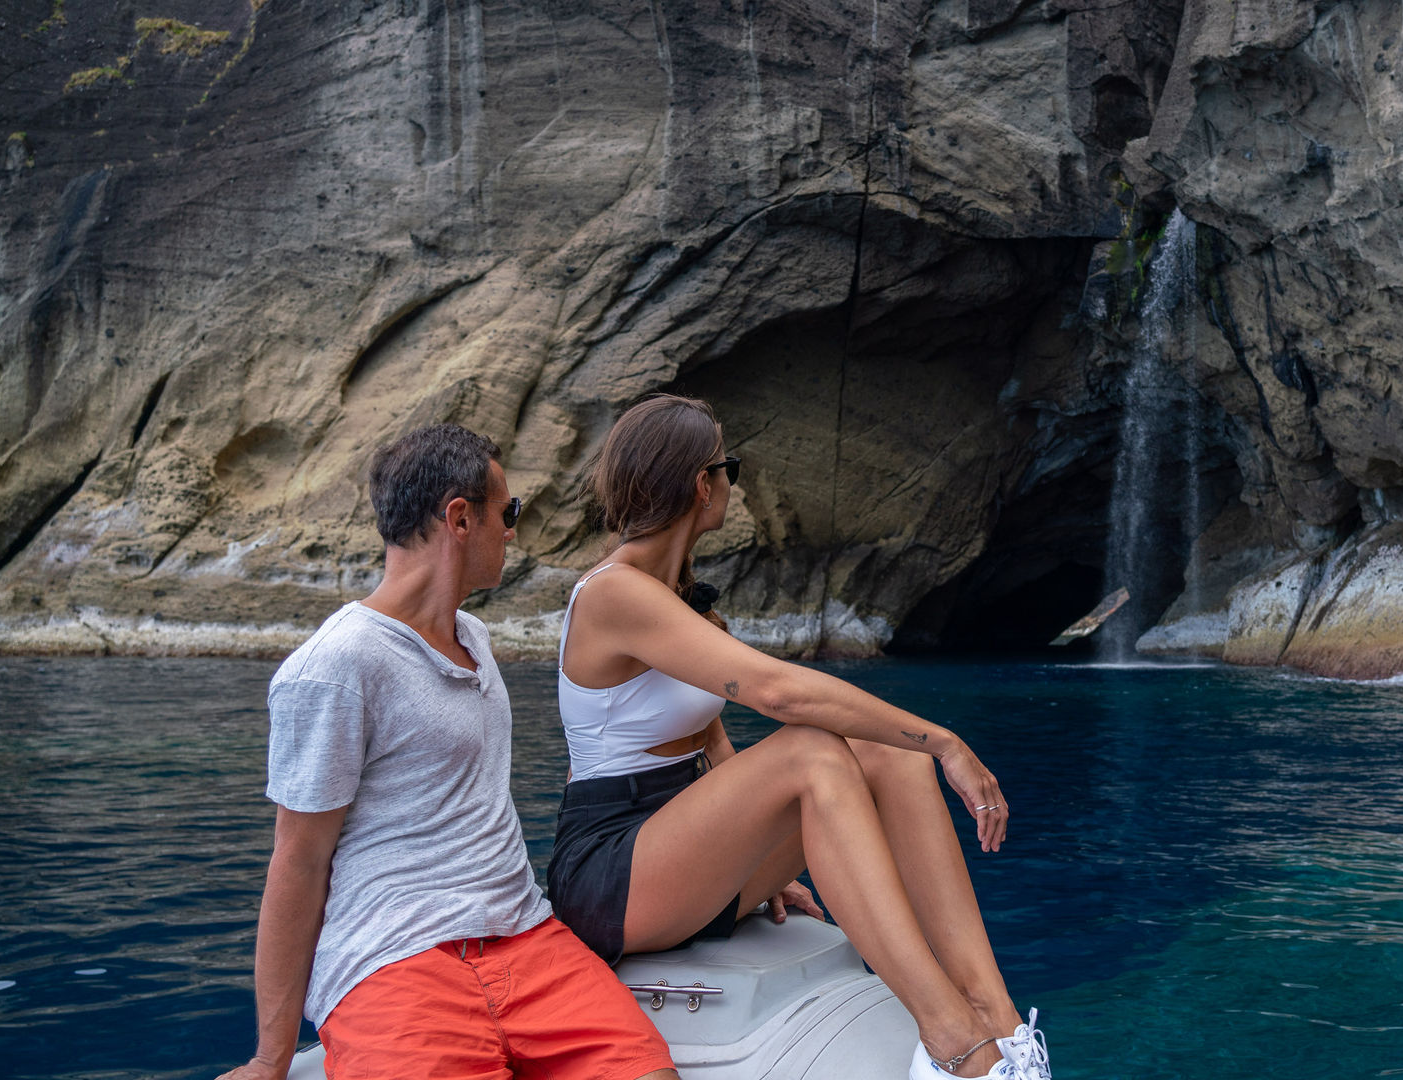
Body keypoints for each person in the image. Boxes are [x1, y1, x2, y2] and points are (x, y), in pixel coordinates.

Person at [546, 394, 1053, 1080]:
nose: (737, 481)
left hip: (677, 854)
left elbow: (709, 740)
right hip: (611, 869)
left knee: (886, 751)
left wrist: (757, 861)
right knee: (812, 751)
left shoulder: (687, 604)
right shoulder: (613, 593)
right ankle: (955, 1045)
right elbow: (778, 693)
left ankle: (996, 1016)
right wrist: (945, 741)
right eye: (731, 467)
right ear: (702, 484)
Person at [217, 425, 678, 1080]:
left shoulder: (476, 639)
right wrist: (270, 1059)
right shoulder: (337, 665)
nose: (513, 531)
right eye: (507, 513)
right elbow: (298, 861)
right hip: (394, 962)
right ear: (460, 519)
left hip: (529, 942)